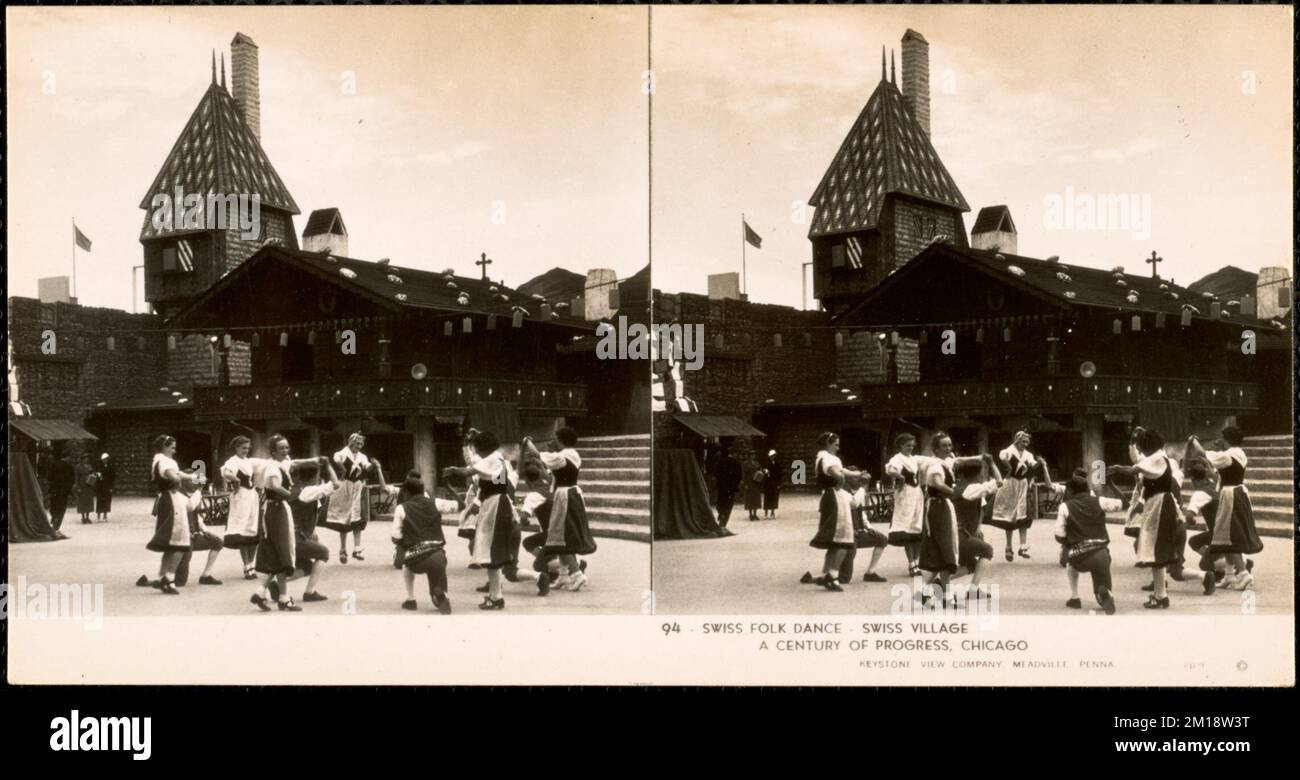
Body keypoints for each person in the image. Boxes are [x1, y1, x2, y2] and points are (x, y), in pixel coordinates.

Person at [442, 430, 518, 610]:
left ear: (483, 448)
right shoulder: (498, 459)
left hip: (495, 506)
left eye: (477, 448)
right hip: (497, 504)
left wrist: (454, 470)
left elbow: (469, 470)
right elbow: (493, 482)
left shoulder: (491, 460)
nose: (476, 453)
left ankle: (496, 597)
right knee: (494, 551)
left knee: (491, 551)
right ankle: (495, 593)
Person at [1110, 427, 1183, 609]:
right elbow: (1144, 475)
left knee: (1155, 550)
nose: (1141, 451)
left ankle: (1161, 596)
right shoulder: (1157, 458)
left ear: (1148, 446)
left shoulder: (1157, 458)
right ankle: (1160, 594)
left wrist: (1118, 468)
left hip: (1159, 505)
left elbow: (1133, 469)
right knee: (1156, 551)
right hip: (1157, 504)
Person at [1187, 427, 1262, 591]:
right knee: (1224, 537)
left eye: (1222, 437)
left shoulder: (1227, 456)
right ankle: (1229, 575)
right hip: (1237, 493)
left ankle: (1243, 574)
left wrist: (1193, 440)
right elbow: (1217, 477)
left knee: (1229, 537)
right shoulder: (1239, 453)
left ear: (1227, 439)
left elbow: (1201, 453)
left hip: (1230, 496)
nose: (1220, 439)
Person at [528, 427, 595, 591]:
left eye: (556, 439)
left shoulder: (565, 455)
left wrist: (527, 441)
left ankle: (578, 575)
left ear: (561, 440)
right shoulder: (569, 456)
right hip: (567, 495)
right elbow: (549, 477)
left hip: (565, 497)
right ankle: (563, 576)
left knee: (562, 536)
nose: (555, 442)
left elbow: (537, 454)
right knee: (559, 537)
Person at [143, 435, 206, 594]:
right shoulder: (166, 461)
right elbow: (173, 476)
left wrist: (193, 476)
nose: (175, 449)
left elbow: (177, 473)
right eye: (172, 447)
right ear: (165, 446)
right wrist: (177, 484)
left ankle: (161, 576)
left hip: (165, 499)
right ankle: (169, 578)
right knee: (180, 542)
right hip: (172, 500)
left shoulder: (157, 460)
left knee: (170, 544)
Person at [1054, 472, 1125, 614]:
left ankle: (1075, 597)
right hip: (1102, 554)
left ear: (1072, 490)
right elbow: (1122, 503)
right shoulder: (1100, 501)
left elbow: (1059, 535)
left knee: (1070, 563)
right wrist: (1111, 486)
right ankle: (1105, 594)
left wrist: (1069, 539)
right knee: (1101, 591)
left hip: (1080, 556)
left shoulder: (1065, 506)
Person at [249, 435, 304, 612]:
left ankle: (275, 595)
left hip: (275, 509)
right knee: (284, 550)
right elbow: (274, 486)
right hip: (277, 509)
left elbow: (292, 463)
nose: (285, 451)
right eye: (281, 448)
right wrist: (294, 495)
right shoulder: (273, 467)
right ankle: (282, 598)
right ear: (273, 451)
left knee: (277, 553)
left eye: (287, 447)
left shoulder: (280, 464)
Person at [392, 476, 462, 614]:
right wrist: (450, 488)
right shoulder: (436, 503)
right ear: (423, 490)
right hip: (438, 555)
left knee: (406, 565)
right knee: (437, 572)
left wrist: (405, 542)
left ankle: (410, 599)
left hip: (416, 557)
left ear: (406, 492)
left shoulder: (401, 508)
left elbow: (395, 538)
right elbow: (461, 505)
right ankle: (441, 594)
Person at [804, 432, 864, 592]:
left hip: (829, 497)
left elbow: (841, 470)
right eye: (836, 444)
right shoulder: (829, 459)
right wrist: (841, 480)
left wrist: (855, 474)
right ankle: (833, 575)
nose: (838, 447)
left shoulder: (823, 457)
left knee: (834, 541)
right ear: (828, 444)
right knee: (844, 539)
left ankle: (826, 574)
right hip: (835, 497)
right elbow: (836, 472)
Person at [917, 433, 967, 603]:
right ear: (936, 448)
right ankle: (942, 594)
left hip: (942, 506)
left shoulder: (944, 463)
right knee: (945, 548)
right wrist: (956, 492)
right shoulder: (935, 465)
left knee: (943, 550)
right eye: (944, 446)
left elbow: (959, 461)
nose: (948, 448)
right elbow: (937, 483)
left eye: (949, 445)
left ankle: (936, 592)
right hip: (938, 507)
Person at [322, 432, 386, 564]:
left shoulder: (362, 456)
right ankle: (343, 549)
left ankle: (357, 548)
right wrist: (342, 468)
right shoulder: (342, 453)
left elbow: (367, 467)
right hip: (345, 487)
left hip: (357, 487)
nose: (360, 446)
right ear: (351, 442)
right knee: (344, 518)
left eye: (361, 444)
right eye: (357, 443)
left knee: (357, 518)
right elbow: (336, 459)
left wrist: (374, 465)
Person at [949, 454, 1003, 602]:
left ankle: (937, 584)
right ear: (977, 474)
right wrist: (991, 463)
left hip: (958, 532)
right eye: (982, 472)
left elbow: (980, 508)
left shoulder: (960, 487)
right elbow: (999, 481)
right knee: (987, 550)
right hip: (960, 534)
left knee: (968, 566)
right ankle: (971, 591)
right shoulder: (971, 488)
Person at [285, 456, 339, 603]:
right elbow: (336, 484)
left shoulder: (295, 488)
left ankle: (275, 585)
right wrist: (328, 466)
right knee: (323, 552)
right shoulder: (307, 491)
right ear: (315, 475)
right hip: (296, 537)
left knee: (306, 567)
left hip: (291, 535)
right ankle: (310, 592)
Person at [988, 431, 1041, 562]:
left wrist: (1039, 464)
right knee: (1009, 515)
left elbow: (1033, 464)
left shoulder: (1028, 454)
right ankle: (1008, 546)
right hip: (1009, 484)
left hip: (1022, 485)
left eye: (1027, 442)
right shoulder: (1007, 451)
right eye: (1023, 442)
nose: (1025, 444)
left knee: (1024, 515)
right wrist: (1008, 466)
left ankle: (1022, 546)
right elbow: (1003, 458)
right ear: (1017, 440)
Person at [884, 433, 925, 577]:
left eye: (912, 445)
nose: (911, 448)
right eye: (908, 445)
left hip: (916, 494)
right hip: (905, 494)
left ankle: (917, 562)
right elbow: (890, 469)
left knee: (916, 527)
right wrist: (900, 477)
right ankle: (911, 564)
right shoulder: (897, 459)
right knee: (907, 529)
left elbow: (928, 462)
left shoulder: (913, 459)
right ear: (900, 445)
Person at [221, 436, 260, 580]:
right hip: (241, 496)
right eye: (243, 448)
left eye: (248, 448)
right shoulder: (233, 461)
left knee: (253, 529)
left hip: (251, 496)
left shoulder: (248, 462)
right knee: (242, 530)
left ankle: (252, 564)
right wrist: (236, 480)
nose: (246, 450)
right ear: (236, 448)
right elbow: (226, 472)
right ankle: (246, 566)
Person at [714, 443, 742, 531]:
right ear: (734, 454)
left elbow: (716, 474)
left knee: (720, 503)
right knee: (729, 505)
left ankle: (721, 513)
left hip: (722, 487)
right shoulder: (737, 463)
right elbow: (739, 476)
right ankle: (723, 523)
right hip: (731, 488)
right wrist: (735, 484)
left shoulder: (720, 462)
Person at [48, 454, 76, 531]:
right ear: (67, 457)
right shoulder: (70, 468)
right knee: (62, 508)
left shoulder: (54, 465)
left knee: (53, 506)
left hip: (54, 490)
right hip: (64, 492)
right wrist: (69, 490)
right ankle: (56, 526)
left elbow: (49, 477)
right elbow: (72, 481)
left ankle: (54, 517)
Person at [75, 453, 97, 524]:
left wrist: (93, 475)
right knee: (82, 502)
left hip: (88, 485)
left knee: (88, 501)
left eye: (87, 458)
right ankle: (83, 517)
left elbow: (93, 473)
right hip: (82, 485)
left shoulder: (90, 466)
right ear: (82, 459)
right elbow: (76, 477)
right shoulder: (78, 467)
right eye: (85, 458)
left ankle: (87, 517)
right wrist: (78, 487)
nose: (86, 459)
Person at [95, 453, 116, 521]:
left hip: (107, 486)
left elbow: (112, 478)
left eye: (106, 459)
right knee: (100, 500)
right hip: (100, 486)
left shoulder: (111, 467)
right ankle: (98, 515)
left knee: (107, 500)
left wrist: (111, 487)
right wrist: (98, 475)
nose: (105, 460)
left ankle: (105, 515)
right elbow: (96, 474)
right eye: (104, 459)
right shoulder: (99, 466)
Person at [743, 456, 765, 522]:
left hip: (756, 482)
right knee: (750, 499)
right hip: (749, 482)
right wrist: (745, 483)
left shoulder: (757, 463)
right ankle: (750, 514)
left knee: (756, 499)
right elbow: (744, 474)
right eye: (751, 455)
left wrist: (761, 473)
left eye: (753, 455)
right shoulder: (746, 463)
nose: (752, 456)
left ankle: (755, 514)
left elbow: (760, 470)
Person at [762, 449, 782, 518]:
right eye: (771, 456)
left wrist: (779, 484)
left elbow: (780, 474)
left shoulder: (777, 463)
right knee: (767, 498)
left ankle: (772, 513)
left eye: (774, 456)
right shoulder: (766, 463)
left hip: (775, 483)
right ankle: (766, 513)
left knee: (774, 498)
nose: (772, 457)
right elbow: (763, 471)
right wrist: (765, 472)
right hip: (768, 483)